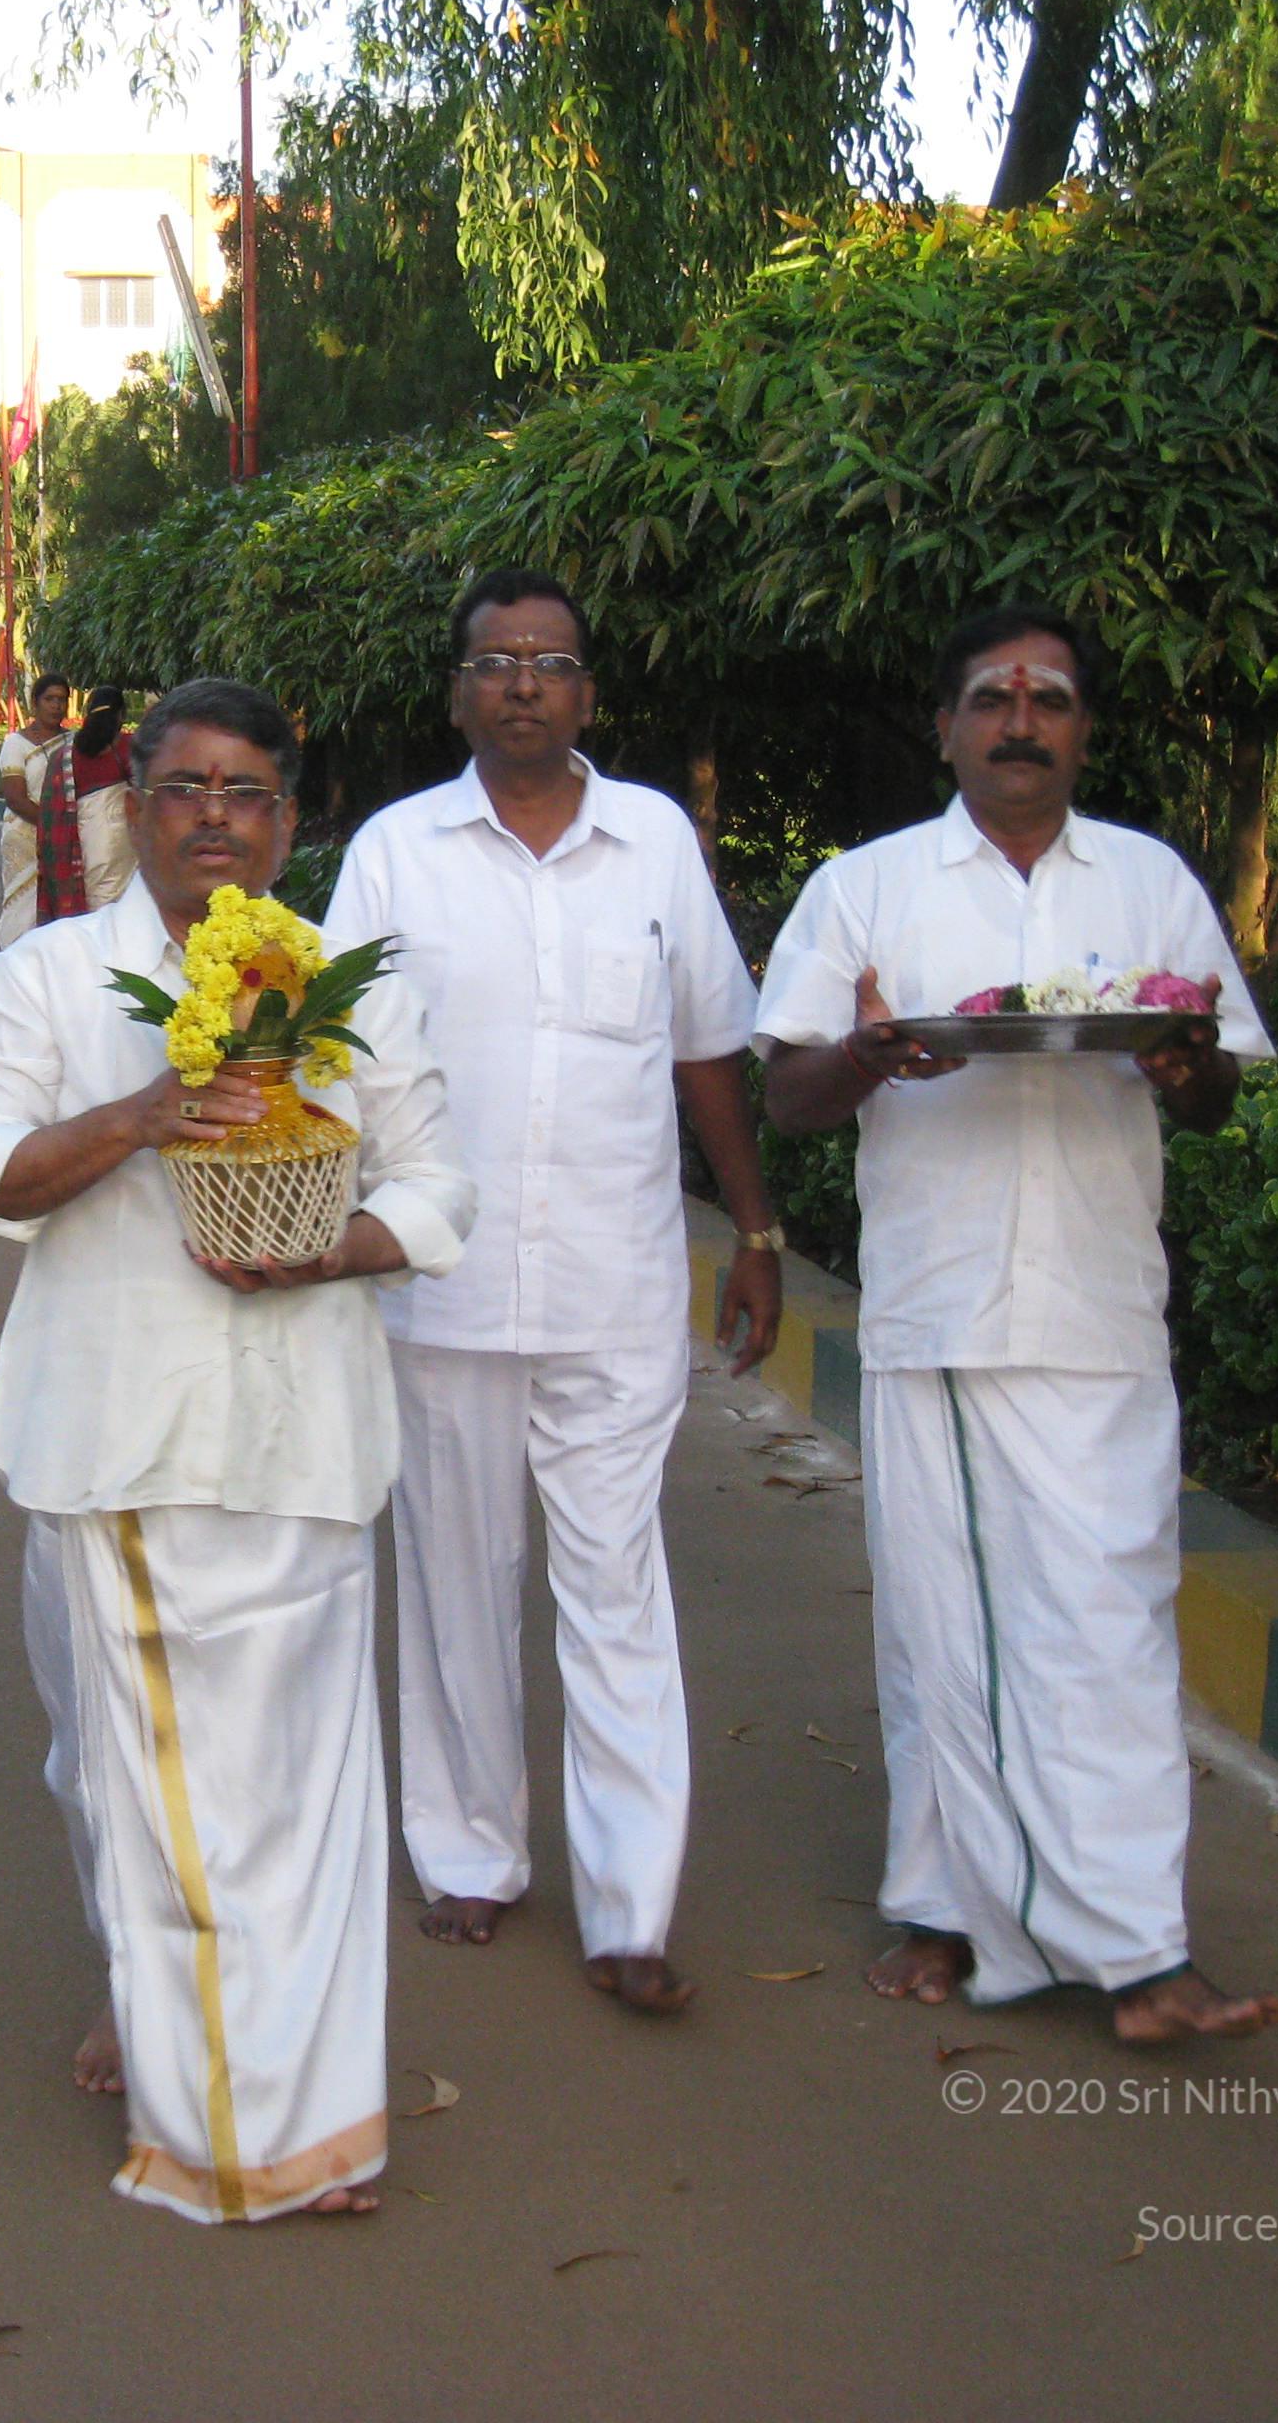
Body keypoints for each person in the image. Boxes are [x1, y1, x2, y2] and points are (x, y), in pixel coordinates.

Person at [0, 676, 474, 2222]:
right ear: (135, 810)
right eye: (184, 789)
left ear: (291, 819)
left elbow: (439, 1186)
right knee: (135, 1783)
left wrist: (338, 1249)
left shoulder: (345, 986)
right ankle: (196, 2066)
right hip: (120, 1437)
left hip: (307, 1427)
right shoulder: (50, 978)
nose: (216, 820)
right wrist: (148, 1110)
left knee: (303, 1793)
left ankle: (294, 2125)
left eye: (249, 792)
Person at [756, 600, 1278, 2046]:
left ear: (1084, 731)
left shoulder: (1150, 882)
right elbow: (789, 1095)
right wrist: (873, 1054)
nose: (1021, 721)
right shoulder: (867, 886)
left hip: (1102, 1308)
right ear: (946, 727)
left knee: (1109, 1626)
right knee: (945, 1633)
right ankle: (976, 1915)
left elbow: (1217, 1086)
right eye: (993, 697)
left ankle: (1109, 1938)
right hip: (943, 1310)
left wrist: (1181, 1067)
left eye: (1050, 699)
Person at [323, 568, 781, 2018]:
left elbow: (707, 1047)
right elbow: (332, 1060)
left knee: (617, 1589)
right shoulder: (395, 853)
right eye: (496, 661)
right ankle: (472, 1855)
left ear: (587, 692)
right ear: (458, 692)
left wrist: (757, 1230)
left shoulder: (654, 844)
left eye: (551, 661)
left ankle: (631, 1906)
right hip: (440, 1285)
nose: (523, 682)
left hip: (615, 1282)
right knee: (454, 1580)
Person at [36, 689, 130, 926]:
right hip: (124, 843)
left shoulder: (65, 754)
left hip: (84, 841)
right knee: (123, 910)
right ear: (121, 715)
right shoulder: (130, 747)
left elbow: (51, 814)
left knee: (93, 908)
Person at [0, 672, 73, 949]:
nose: (56, 706)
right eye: (49, 699)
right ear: (35, 702)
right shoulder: (16, 744)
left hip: (65, 839)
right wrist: (52, 826)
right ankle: (15, 958)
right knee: (23, 907)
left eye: (62, 700)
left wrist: (63, 832)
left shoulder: (73, 743)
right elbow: (15, 798)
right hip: (25, 836)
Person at [73, 689, 138, 909]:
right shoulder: (129, 745)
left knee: (95, 892)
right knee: (124, 898)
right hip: (121, 834)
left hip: (86, 831)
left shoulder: (72, 749)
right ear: (121, 714)